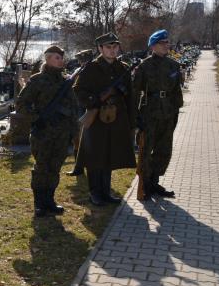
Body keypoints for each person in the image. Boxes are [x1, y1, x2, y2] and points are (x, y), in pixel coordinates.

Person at [73, 33, 136, 206]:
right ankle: (95, 193)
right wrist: (95, 101)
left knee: (109, 155)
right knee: (94, 156)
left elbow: (131, 96)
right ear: (100, 49)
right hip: (96, 118)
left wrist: (133, 122)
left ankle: (106, 192)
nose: (113, 50)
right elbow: (78, 91)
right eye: (108, 47)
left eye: (115, 47)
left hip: (117, 118)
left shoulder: (123, 68)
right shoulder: (90, 68)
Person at [15, 45, 79, 217]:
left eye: (61, 58)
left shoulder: (65, 81)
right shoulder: (37, 80)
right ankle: (39, 203)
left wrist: (73, 131)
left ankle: (50, 200)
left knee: (55, 167)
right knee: (42, 167)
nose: (61, 60)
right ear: (48, 59)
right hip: (43, 133)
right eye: (57, 58)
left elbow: (74, 107)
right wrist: (38, 118)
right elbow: (21, 105)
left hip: (62, 134)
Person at [133, 29, 183, 198]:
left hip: (168, 112)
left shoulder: (173, 65)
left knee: (164, 150)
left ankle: (154, 183)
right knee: (146, 150)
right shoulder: (144, 66)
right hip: (150, 112)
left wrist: (176, 112)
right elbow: (134, 92)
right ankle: (145, 184)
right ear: (153, 46)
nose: (167, 45)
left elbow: (177, 91)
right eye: (163, 43)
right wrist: (136, 117)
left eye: (168, 42)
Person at [66, 49, 93, 177]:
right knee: (77, 139)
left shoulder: (92, 72)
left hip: (87, 108)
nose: (81, 62)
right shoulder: (79, 71)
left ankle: (84, 167)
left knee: (86, 139)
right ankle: (79, 167)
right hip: (76, 107)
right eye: (80, 60)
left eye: (82, 59)